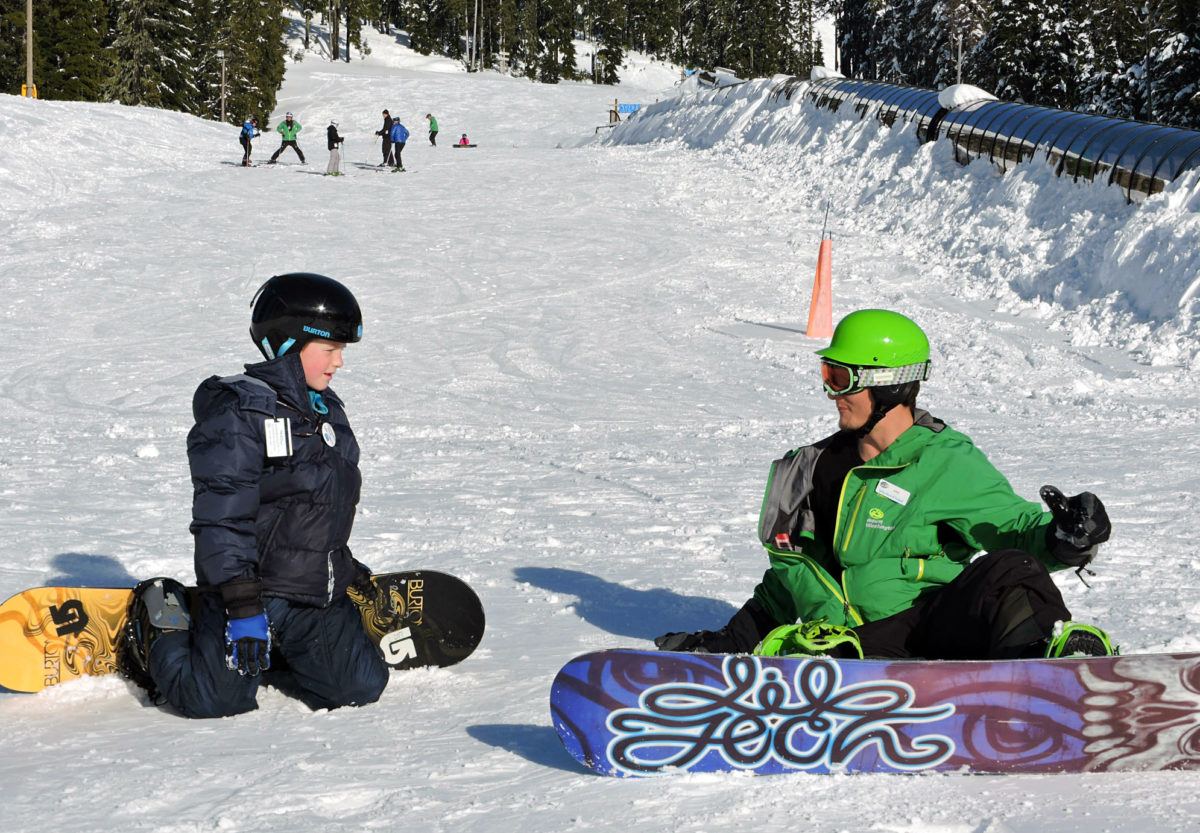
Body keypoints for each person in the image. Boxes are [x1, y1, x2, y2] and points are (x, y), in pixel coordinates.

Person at [655, 309, 1116, 661]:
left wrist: (1066, 538)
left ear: (889, 384)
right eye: (826, 376)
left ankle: (1054, 672)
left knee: (1010, 568)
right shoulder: (814, 468)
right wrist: (731, 641)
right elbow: (792, 575)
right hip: (849, 646)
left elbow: (1016, 529)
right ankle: (827, 675)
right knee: (812, 647)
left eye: (840, 379)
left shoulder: (943, 461)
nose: (831, 393)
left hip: (928, 630)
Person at [121, 273, 389, 718]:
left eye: (341, 351)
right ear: (288, 344)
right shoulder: (239, 413)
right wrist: (242, 603)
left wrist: (344, 568)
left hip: (309, 593)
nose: (338, 362)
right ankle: (160, 620)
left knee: (360, 687)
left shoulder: (326, 410)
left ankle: (285, 650)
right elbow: (222, 518)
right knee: (214, 700)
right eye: (330, 349)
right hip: (249, 592)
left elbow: (319, 507)